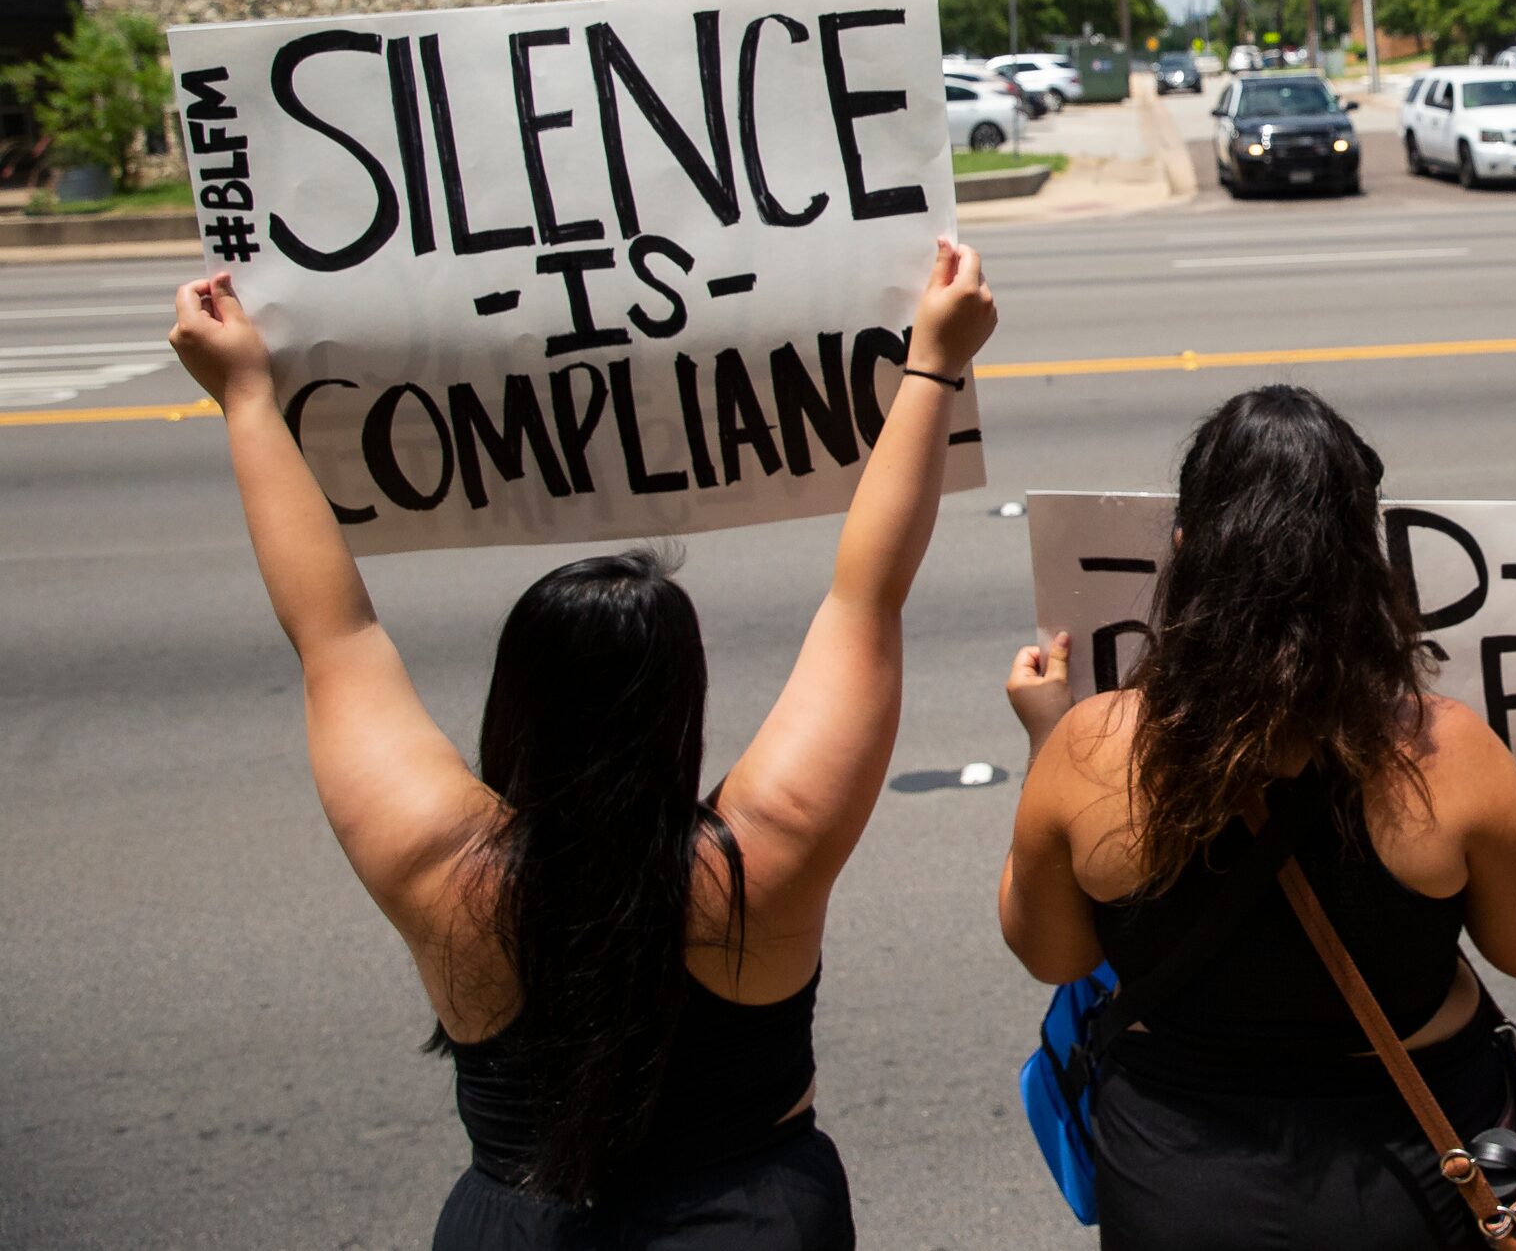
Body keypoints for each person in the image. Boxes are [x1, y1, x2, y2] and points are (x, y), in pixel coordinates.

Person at [164, 237, 998, 1249]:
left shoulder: (441, 869)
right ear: (681, 704)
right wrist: (931, 366)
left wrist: (247, 398)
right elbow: (867, 600)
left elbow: (334, 638)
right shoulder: (761, 859)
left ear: (516, 704)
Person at [995, 384, 1516, 1251]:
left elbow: (1051, 951)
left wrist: (1047, 733)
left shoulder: (1089, 751)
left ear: (1184, 552)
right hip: (1406, 1179)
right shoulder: (1442, 753)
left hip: (1174, 1185)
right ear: (1368, 565)